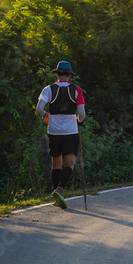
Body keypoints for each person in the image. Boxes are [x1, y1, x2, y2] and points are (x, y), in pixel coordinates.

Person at [36, 61, 85, 209]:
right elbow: (82, 114)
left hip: (54, 131)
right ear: (70, 75)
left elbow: (39, 108)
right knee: (69, 163)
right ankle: (60, 190)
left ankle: (56, 194)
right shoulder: (76, 90)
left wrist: (45, 116)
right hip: (70, 130)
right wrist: (77, 120)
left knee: (56, 163)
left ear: (56, 74)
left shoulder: (48, 89)